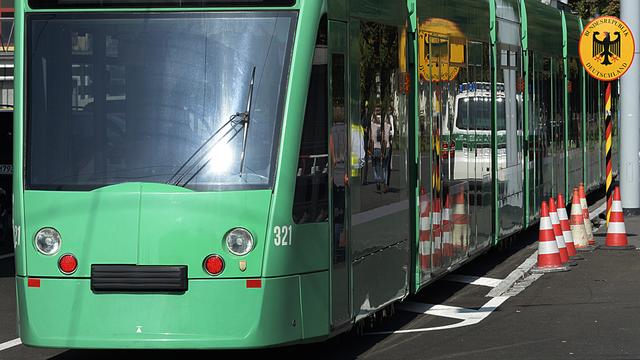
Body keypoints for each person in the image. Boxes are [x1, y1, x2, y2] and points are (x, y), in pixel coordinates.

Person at [369, 106, 384, 192]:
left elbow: (370, 137)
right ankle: (380, 178)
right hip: (379, 147)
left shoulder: (372, 125)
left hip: (373, 147)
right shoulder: (380, 126)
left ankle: (377, 180)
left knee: (374, 165)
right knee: (379, 165)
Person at [385, 105, 396, 188]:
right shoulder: (385, 117)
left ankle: (386, 183)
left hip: (388, 142)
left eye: (390, 110)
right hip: (383, 142)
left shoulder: (391, 118)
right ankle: (384, 181)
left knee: (387, 163)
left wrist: (390, 136)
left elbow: (393, 131)